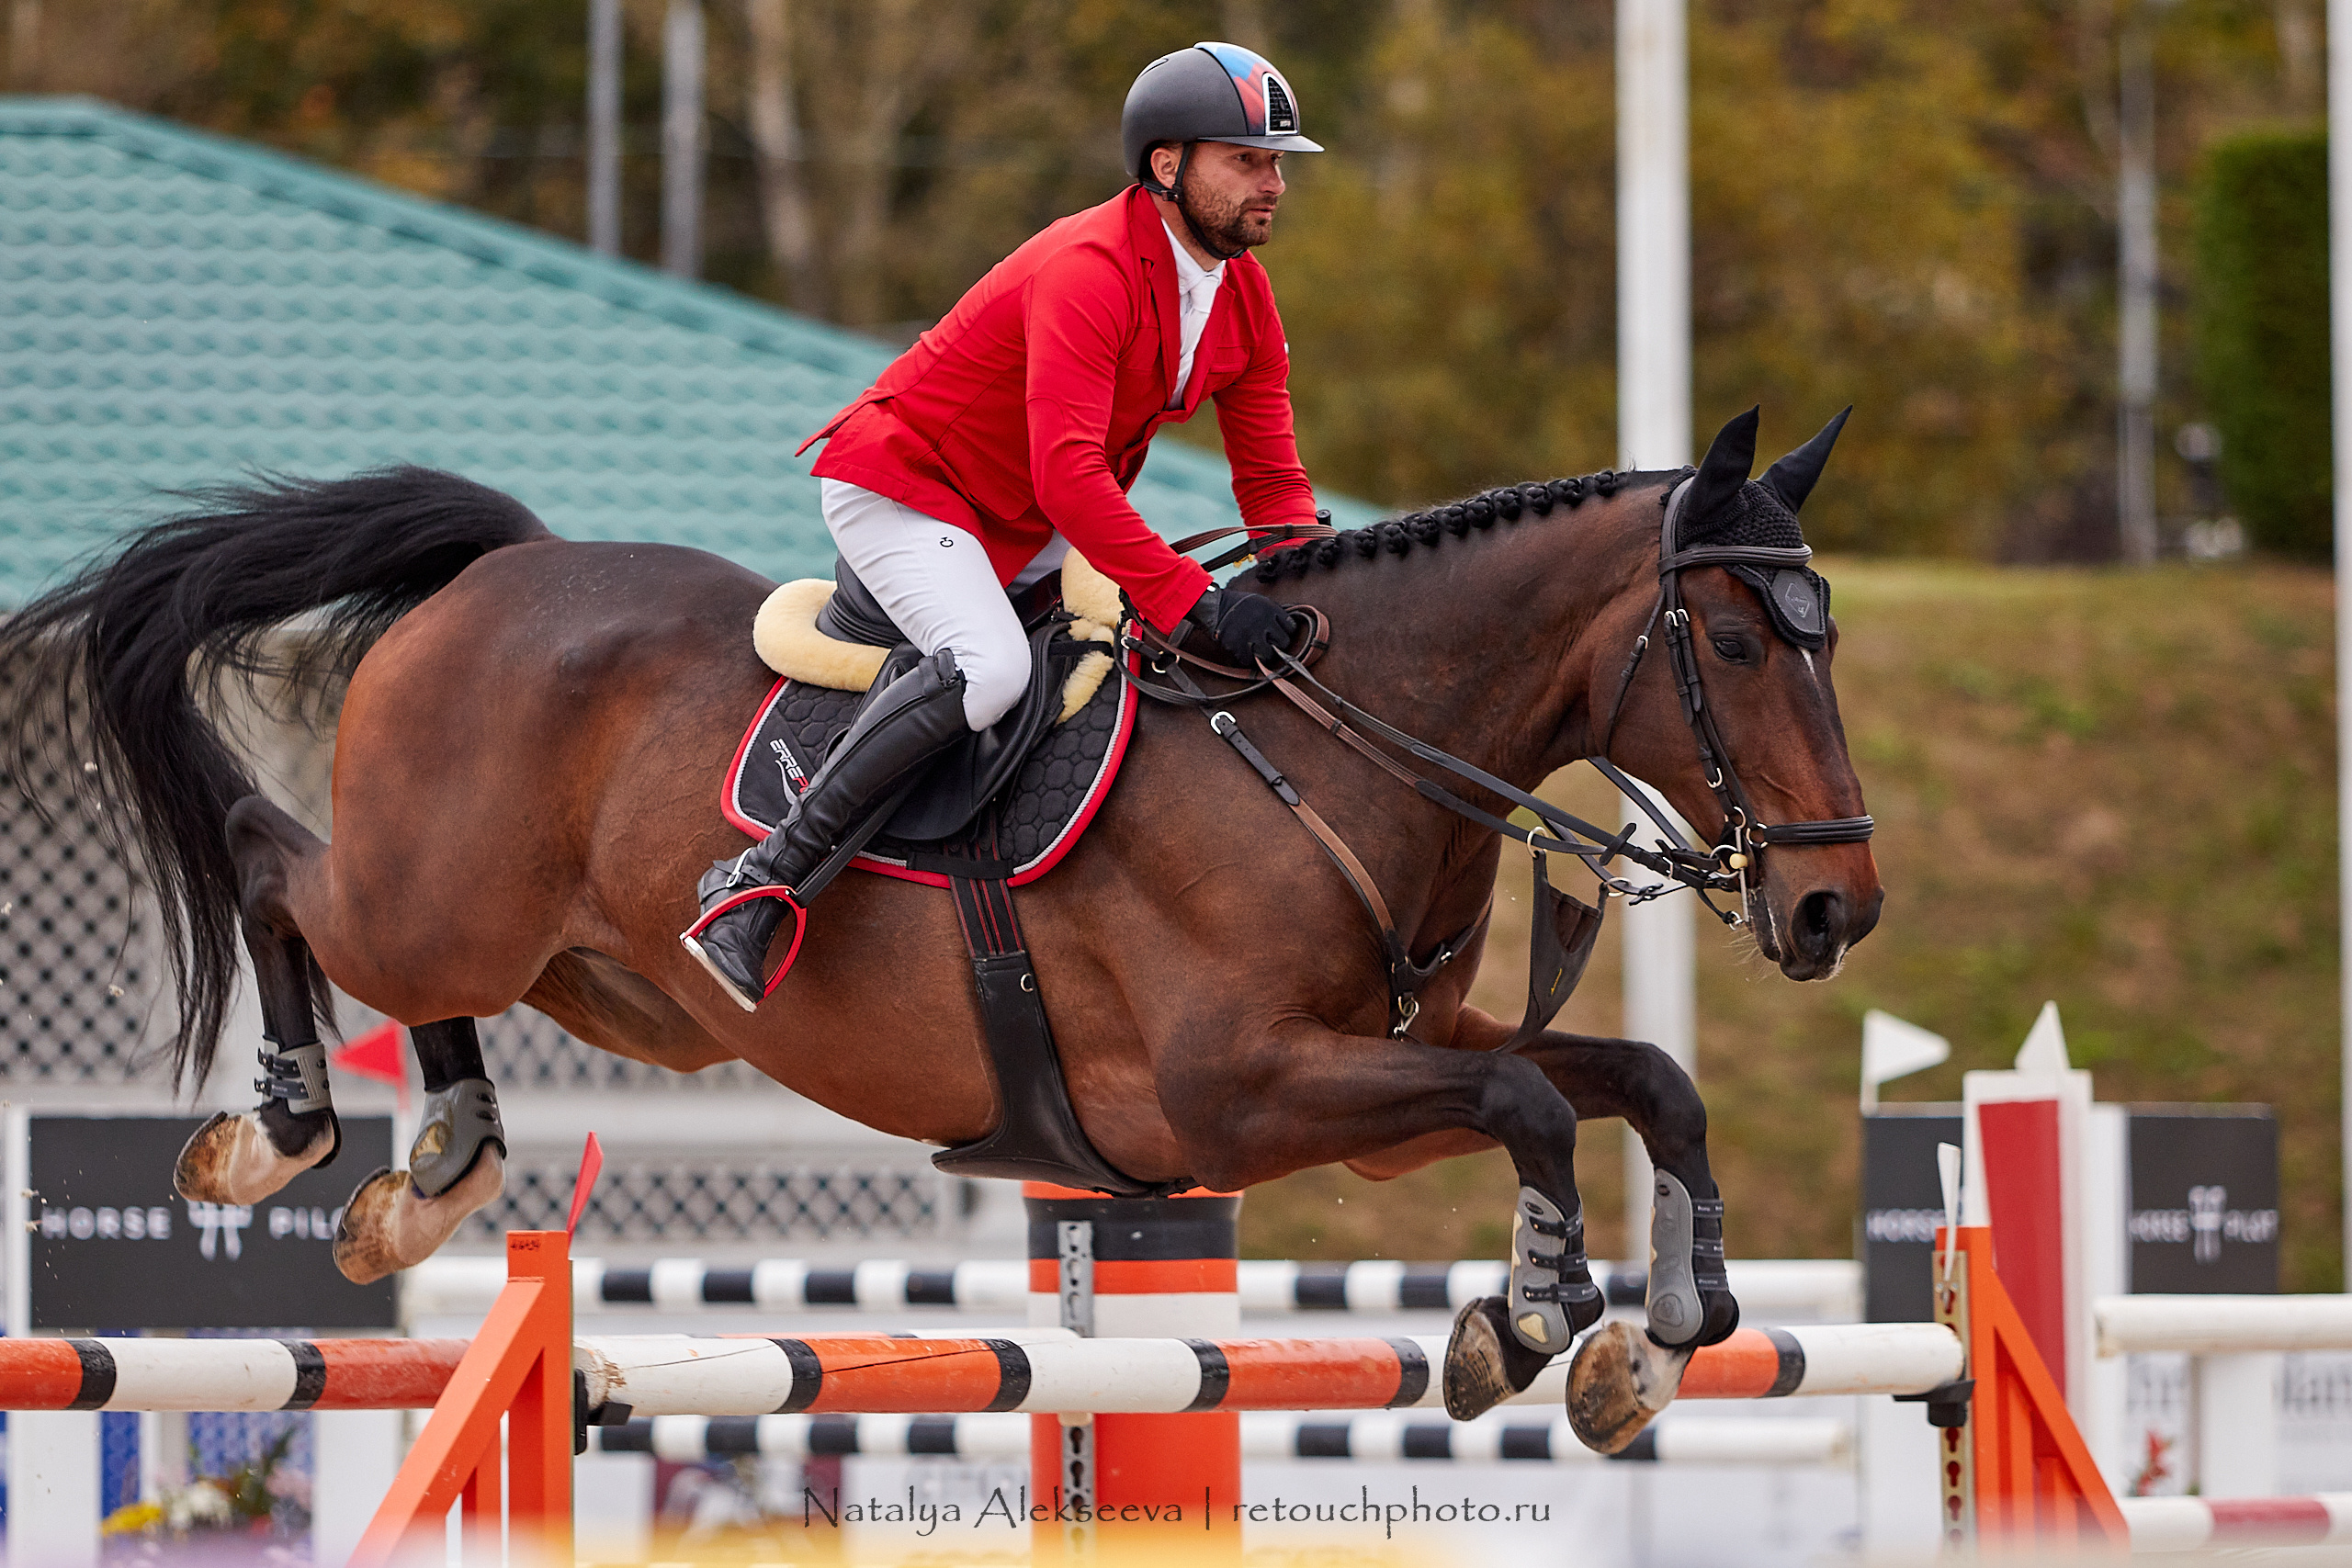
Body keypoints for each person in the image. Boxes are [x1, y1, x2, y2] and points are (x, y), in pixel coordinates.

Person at [682, 40, 1328, 1012]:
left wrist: (1312, 593)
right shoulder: (1090, 269)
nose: (1272, 183)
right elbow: (1070, 476)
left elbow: (1275, 482)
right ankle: (759, 882)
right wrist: (1196, 601)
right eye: (1248, 159)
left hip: (1024, 510)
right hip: (909, 484)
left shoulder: (1243, 298)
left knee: (1132, 650)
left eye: (1277, 162)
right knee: (993, 669)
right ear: (1167, 165)